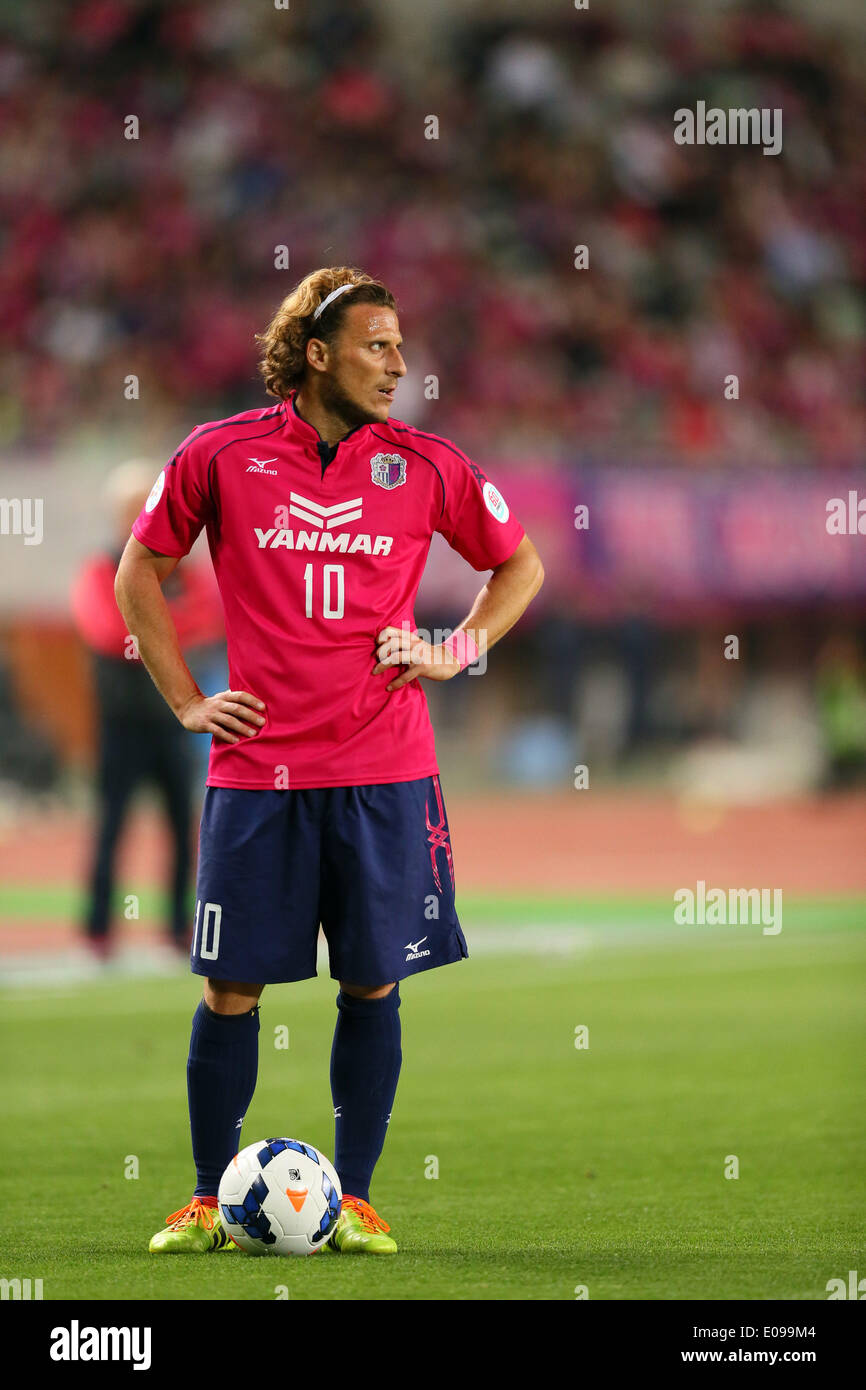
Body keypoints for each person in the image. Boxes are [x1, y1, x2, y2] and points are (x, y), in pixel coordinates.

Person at [114, 267, 544, 1255]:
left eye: (399, 346)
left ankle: (351, 1200)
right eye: (376, 346)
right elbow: (142, 565)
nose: (398, 365)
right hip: (255, 772)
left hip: (384, 770)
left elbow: (516, 562)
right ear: (316, 354)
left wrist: (453, 649)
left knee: (371, 984)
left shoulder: (425, 463)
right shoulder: (218, 453)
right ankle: (203, 1201)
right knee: (229, 988)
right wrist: (184, 697)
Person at [72, 463, 224, 959]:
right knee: (112, 824)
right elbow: (110, 632)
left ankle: (180, 928)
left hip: (173, 720)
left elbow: (209, 618)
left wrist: (151, 620)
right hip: (121, 725)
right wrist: (164, 624)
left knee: (183, 826)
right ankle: (98, 931)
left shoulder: (185, 572)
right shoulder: (100, 567)